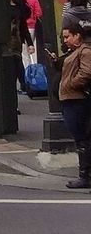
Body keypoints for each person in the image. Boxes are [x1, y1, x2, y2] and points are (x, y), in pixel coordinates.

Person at [54, 21, 91, 189]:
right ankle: (85, 174)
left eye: (68, 36)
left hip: (76, 100)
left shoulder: (84, 51)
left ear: (78, 36)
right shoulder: (74, 52)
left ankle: (85, 175)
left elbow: (86, 72)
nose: (65, 40)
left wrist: (70, 84)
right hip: (70, 100)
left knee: (82, 138)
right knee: (81, 138)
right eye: (64, 37)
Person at [7, 0, 34, 93]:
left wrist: (30, 43)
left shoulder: (19, 4)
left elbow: (23, 25)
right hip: (5, 43)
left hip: (16, 42)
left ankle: (23, 86)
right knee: (11, 69)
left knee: (17, 65)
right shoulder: (0, 5)